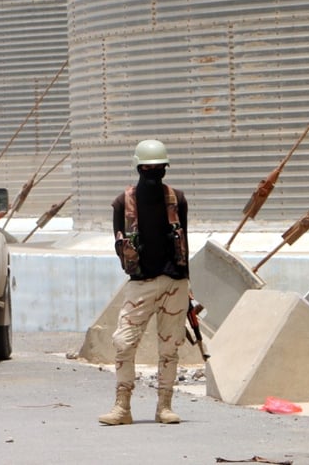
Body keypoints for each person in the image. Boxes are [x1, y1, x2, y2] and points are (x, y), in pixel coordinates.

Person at [99, 139, 190, 426]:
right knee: (124, 343)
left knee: (170, 348)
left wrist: (189, 290)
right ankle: (122, 407)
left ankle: (164, 406)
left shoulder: (177, 199)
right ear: (139, 168)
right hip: (140, 283)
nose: (154, 173)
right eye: (149, 168)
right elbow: (119, 244)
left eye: (159, 168)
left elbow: (185, 244)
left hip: (175, 283)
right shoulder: (121, 204)